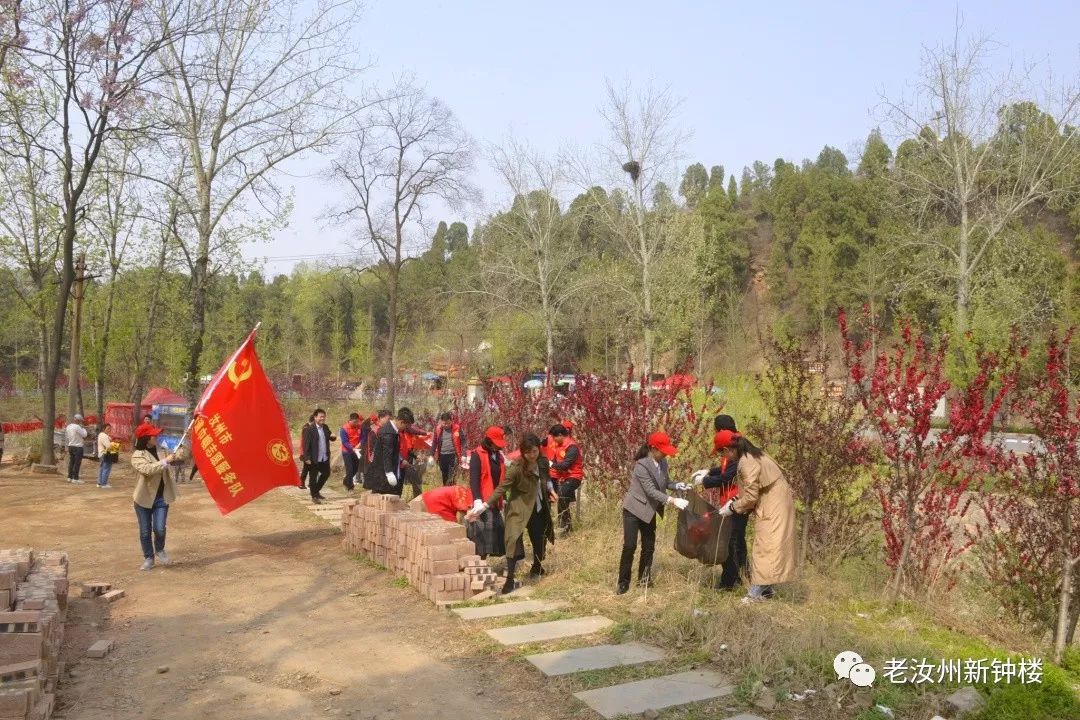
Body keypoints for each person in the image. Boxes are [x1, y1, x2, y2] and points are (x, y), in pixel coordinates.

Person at [713, 430, 797, 604]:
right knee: (771, 546)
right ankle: (766, 591)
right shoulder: (751, 454)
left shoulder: (746, 462)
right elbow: (752, 489)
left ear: (729, 449)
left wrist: (733, 508)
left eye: (722, 452)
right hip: (776, 501)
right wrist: (733, 502)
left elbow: (750, 497)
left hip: (773, 505)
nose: (722, 456)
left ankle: (755, 592)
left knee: (764, 547)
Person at [467, 434, 557, 593]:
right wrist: (483, 505)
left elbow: (546, 477)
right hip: (519, 508)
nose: (532, 455)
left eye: (535, 451)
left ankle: (537, 567)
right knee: (512, 540)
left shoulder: (542, 462)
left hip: (538, 508)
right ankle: (509, 579)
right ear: (523, 452)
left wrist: (550, 490)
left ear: (539, 450)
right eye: (528, 452)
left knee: (539, 539)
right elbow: (501, 488)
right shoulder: (516, 468)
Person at [617, 432, 690, 594]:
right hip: (633, 510)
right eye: (662, 450)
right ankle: (623, 582)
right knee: (630, 546)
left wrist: (678, 485)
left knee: (649, 547)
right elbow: (650, 490)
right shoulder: (641, 465)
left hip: (649, 510)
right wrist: (672, 501)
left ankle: (644, 579)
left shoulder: (663, 463)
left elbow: (664, 482)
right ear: (653, 448)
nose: (665, 454)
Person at [691, 414, 749, 590]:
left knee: (730, 543)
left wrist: (706, 481)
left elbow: (727, 476)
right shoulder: (731, 446)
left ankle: (729, 582)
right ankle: (743, 576)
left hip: (736, 504)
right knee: (737, 542)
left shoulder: (737, 448)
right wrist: (709, 471)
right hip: (729, 503)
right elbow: (724, 468)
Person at [131, 424, 184, 570]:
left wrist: (184, 447)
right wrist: (165, 461)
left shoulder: (162, 450)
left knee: (160, 528)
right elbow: (147, 469)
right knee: (145, 531)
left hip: (161, 497)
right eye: (154, 435)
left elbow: (178, 456)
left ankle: (160, 549)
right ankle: (149, 558)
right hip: (143, 499)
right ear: (147, 439)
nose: (157, 437)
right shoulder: (137, 456)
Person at [466, 426, 508, 560]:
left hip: (495, 500)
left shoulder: (499, 456)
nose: (498, 447)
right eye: (496, 444)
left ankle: (485, 566)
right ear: (488, 441)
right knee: (482, 534)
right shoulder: (477, 455)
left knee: (495, 532)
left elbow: (502, 479)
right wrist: (477, 500)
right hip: (482, 500)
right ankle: (479, 564)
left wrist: (504, 498)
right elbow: (474, 479)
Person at [363, 407, 415, 496]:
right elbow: (387, 455)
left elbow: (394, 451)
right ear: (401, 422)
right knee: (384, 502)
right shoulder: (388, 433)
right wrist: (389, 473)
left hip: (386, 471)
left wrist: (401, 460)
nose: (405, 429)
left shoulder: (392, 431)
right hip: (382, 474)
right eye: (405, 426)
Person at [548, 424, 583, 534]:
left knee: (562, 496)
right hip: (563, 477)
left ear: (560, 435)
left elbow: (565, 465)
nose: (553, 440)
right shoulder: (559, 445)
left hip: (574, 477)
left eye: (554, 437)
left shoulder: (572, 447)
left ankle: (563, 526)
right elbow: (555, 462)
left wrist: (550, 464)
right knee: (560, 499)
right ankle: (568, 528)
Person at [301, 409, 335, 503]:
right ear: (315, 417)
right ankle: (314, 496)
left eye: (324, 416)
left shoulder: (325, 427)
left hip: (324, 457)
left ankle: (316, 491)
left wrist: (333, 437)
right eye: (320, 416)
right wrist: (306, 457)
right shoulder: (309, 429)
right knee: (313, 477)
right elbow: (306, 444)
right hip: (314, 457)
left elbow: (330, 437)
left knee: (326, 473)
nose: (322, 418)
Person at [431, 412, 465, 486]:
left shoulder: (457, 428)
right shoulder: (438, 429)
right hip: (442, 456)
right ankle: (446, 492)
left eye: (448, 423)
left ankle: (453, 492)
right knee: (445, 475)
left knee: (452, 476)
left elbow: (463, 441)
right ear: (441, 422)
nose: (446, 425)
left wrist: (464, 454)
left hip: (453, 455)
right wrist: (431, 454)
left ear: (451, 421)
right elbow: (434, 442)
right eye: (444, 423)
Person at [340, 412, 363, 491]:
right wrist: (352, 448)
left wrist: (360, 444)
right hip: (347, 451)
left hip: (357, 450)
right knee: (349, 469)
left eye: (357, 422)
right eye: (354, 422)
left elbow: (363, 437)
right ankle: (350, 487)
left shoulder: (359, 427)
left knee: (356, 468)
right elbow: (344, 442)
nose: (356, 423)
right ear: (350, 420)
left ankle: (346, 480)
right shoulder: (344, 428)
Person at [64, 414, 88, 484]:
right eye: (80, 420)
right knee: (77, 463)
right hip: (78, 447)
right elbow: (84, 435)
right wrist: (83, 428)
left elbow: (67, 437)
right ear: (78, 420)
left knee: (71, 462)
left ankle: (69, 477)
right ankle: (75, 478)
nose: (81, 422)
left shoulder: (69, 426)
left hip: (71, 446)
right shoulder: (78, 427)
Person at [96, 423, 118, 489]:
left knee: (102, 469)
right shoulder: (104, 436)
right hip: (105, 454)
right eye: (108, 428)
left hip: (102, 453)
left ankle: (100, 483)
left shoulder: (102, 435)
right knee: (106, 468)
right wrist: (114, 444)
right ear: (104, 429)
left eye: (110, 428)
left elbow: (110, 439)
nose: (109, 430)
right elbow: (108, 446)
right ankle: (104, 483)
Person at [298, 413, 315, 489]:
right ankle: (302, 484)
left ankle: (304, 484)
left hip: (307, 452)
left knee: (307, 468)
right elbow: (305, 443)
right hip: (306, 452)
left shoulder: (307, 427)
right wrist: (306, 456)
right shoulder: (307, 428)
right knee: (307, 468)